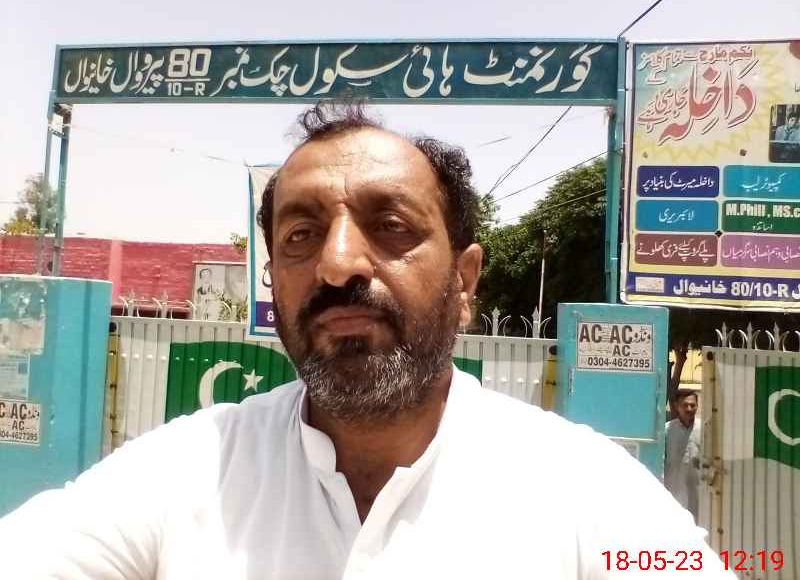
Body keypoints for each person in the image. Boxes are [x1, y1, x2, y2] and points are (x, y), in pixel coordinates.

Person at [0, 101, 732, 578]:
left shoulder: (584, 488)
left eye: (390, 226)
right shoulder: (185, 470)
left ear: (465, 282)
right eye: (301, 233)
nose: (339, 263)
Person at [664, 389, 702, 521]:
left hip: (698, 495)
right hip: (673, 493)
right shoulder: (667, 430)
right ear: (676, 406)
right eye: (685, 405)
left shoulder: (705, 430)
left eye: (693, 405)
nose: (689, 409)